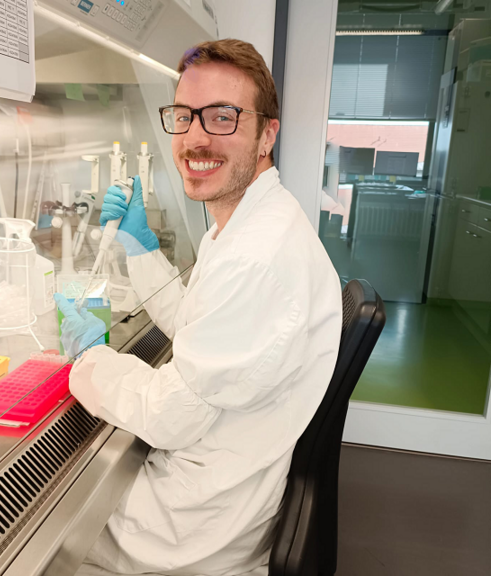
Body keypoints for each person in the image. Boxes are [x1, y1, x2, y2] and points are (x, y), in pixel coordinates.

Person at [56, 39, 342, 576]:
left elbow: (170, 416)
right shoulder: (246, 224)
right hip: (217, 484)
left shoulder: (259, 257)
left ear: (267, 135)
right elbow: (200, 322)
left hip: (193, 531)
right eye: (184, 116)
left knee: (42, 537)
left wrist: (92, 359)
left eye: (223, 117)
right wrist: (142, 250)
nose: (195, 137)